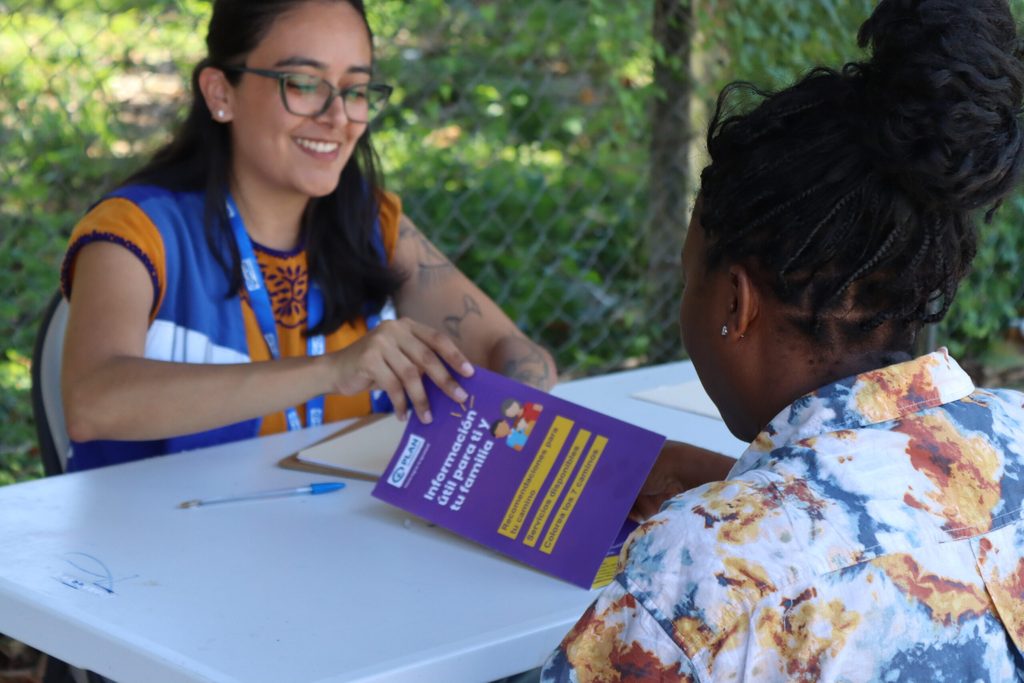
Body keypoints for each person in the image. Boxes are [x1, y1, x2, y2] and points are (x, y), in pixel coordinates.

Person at [543, 0, 1024, 680]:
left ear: (735, 304)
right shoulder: (1015, 436)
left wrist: (732, 517)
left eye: (691, 282)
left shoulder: (704, 570)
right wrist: (748, 488)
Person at [59, 0, 556, 472]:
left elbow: (510, 349)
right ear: (220, 92)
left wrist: (509, 440)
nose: (337, 117)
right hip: (152, 551)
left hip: (332, 541)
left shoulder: (368, 220)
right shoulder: (136, 230)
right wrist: (330, 371)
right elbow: (92, 402)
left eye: (356, 90)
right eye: (302, 83)